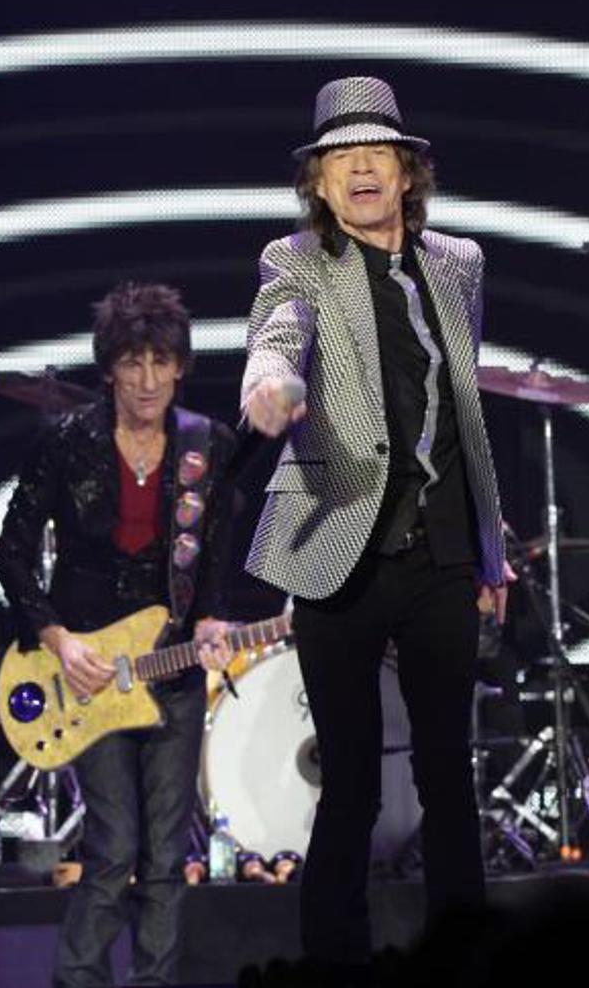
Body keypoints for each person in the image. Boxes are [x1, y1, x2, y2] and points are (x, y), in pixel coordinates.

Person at [240, 76, 509, 972]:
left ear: (407, 171)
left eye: (376, 153)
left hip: (440, 553)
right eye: (341, 157)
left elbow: (463, 409)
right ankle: (335, 964)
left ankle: (463, 959)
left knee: (448, 774)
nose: (360, 168)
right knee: (350, 780)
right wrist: (268, 385)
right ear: (318, 183)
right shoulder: (297, 260)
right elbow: (277, 334)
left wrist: (489, 544)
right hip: (339, 546)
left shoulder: (459, 264)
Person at [0, 281, 236, 988]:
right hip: (89, 675)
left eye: (161, 362)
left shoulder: (208, 445)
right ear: (109, 369)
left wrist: (212, 616)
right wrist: (58, 639)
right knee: (114, 848)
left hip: (172, 674)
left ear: (181, 366)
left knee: (166, 859)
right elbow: (12, 552)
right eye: (133, 363)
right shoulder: (68, 441)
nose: (148, 380)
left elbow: (214, 553)